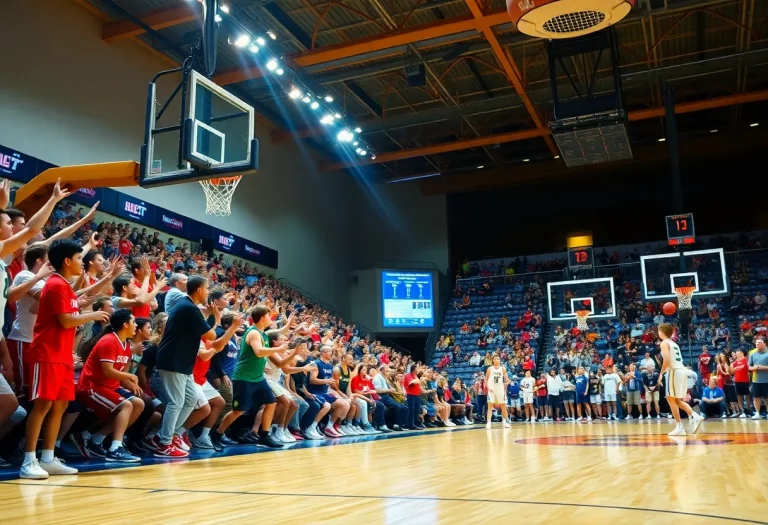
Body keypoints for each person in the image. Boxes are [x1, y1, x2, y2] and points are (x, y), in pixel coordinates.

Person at [22, 239, 111, 479]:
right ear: (67, 261)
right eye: (80, 258)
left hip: (61, 355)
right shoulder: (55, 284)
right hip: (46, 353)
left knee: (60, 405)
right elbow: (65, 320)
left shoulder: (65, 286)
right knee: (42, 405)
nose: (82, 263)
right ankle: (28, 459)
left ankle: (48, 458)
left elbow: (69, 319)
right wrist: (91, 314)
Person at [150, 275, 239, 457]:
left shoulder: (188, 306)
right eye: (207, 289)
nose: (208, 292)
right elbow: (212, 337)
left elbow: (203, 329)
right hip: (173, 361)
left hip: (183, 362)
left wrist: (211, 315)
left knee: (190, 400)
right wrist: (223, 321)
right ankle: (163, 442)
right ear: (199, 290)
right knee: (176, 402)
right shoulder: (189, 308)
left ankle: (171, 434)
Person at [213, 305, 291, 448]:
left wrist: (289, 326)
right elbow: (258, 351)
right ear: (262, 318)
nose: (271, 318)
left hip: (258, 377)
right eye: (269, 315)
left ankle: (264, 436)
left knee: (271, 402)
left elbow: (278, 335)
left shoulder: (263, 334)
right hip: (244, 377)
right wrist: (279, 348)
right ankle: (217, 434)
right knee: (238, 410)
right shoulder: (254, 333)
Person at [75, 309, 144, 463]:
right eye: (133, 322)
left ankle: (97, 439)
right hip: (91, 386)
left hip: (108, 386)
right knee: (126, 406)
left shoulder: (125, 344)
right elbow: (108, 371)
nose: (136, 326)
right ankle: (115, 448)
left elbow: (119, 372)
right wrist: (130, 376)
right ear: (125, 325)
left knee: (138, 403)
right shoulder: (109, 341)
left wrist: (129, 382)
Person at [658, 323, 703, 436]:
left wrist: (660, 374)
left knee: (670, 400)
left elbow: (667, 360)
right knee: (677, 400)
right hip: (682, 370)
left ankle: (680, 427)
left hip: (674, 371)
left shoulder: (664, 343)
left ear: (662, 332)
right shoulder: (674, 343)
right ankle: (695, 416)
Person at [485, 356, 510, 429]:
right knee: (490, 406)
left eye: (498, 359)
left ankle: (504, 422)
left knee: (503, 406)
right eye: (495, 359)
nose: (496, 360)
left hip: (500, 389)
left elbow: (507, 379)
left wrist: (507, 382)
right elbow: (486, 379)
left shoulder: (503, 369)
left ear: (500, 360)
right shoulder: (490, 369)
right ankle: (488, 422)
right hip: (492, 389)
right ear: (493, 360)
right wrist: (488, 387)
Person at [747, 336, 768, 419]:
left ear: (764, 344)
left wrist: (762, 367)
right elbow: (749, 367)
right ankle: (757, 413)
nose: (757, 344)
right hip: (756, 380)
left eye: (759, 343)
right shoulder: (752, 354)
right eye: (756, 343)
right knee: (756, 397)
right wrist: (754, 368)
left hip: (767, 380)